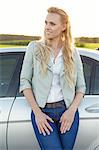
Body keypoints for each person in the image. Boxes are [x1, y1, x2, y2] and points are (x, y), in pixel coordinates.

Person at [19, 6, 86, 150]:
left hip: (67, 112)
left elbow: (81, 87)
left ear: (63, 27)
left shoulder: (72, 53)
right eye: (46, 22)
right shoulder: (34, 48)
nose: (47, 27)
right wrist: (38, 114)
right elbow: (25, 82)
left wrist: (71, 111)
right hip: (43, 112)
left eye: (52, 24)